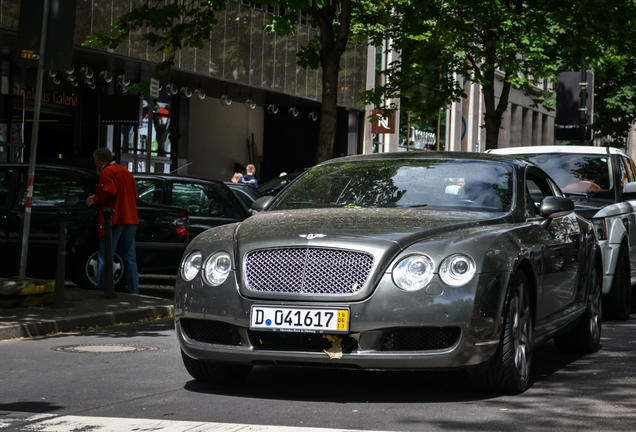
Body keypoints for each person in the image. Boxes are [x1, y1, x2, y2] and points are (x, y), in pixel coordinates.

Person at [86, 148, 140, 294]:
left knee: (106, 255)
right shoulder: (126, 172)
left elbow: (109, 192)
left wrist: (94, 199)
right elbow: (134, 195)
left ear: (98, 160)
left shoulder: (106, 172)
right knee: (129, 256)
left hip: (114, 218)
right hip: (130, 217)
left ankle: (103, 287)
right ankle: (134, 290)